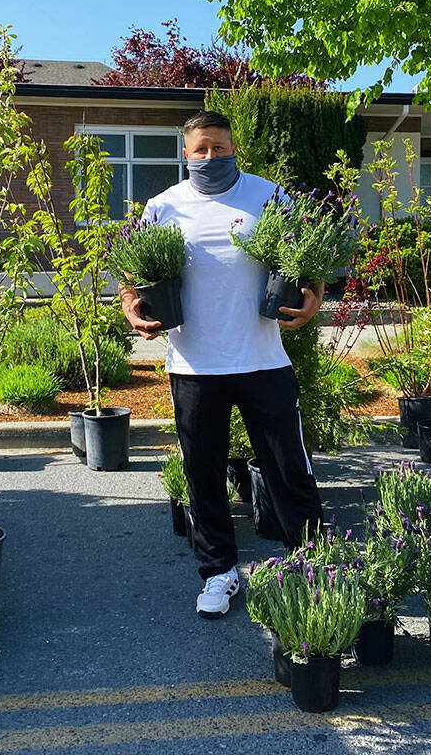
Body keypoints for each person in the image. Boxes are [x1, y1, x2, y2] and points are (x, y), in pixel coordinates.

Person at [118, 112, 324, 619]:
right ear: (185, 155)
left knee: (287, 468)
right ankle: (218, 572)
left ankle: (315, 568)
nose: (211, 157)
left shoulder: (270, 196)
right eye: (201, 149)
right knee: (202, 474)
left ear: (235, 149)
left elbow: (308, 260)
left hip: (262, 359)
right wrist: (130, 304)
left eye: (220, 147)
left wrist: (315, 298)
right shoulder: (164, 207)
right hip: (193, 364)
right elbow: (131, 270)